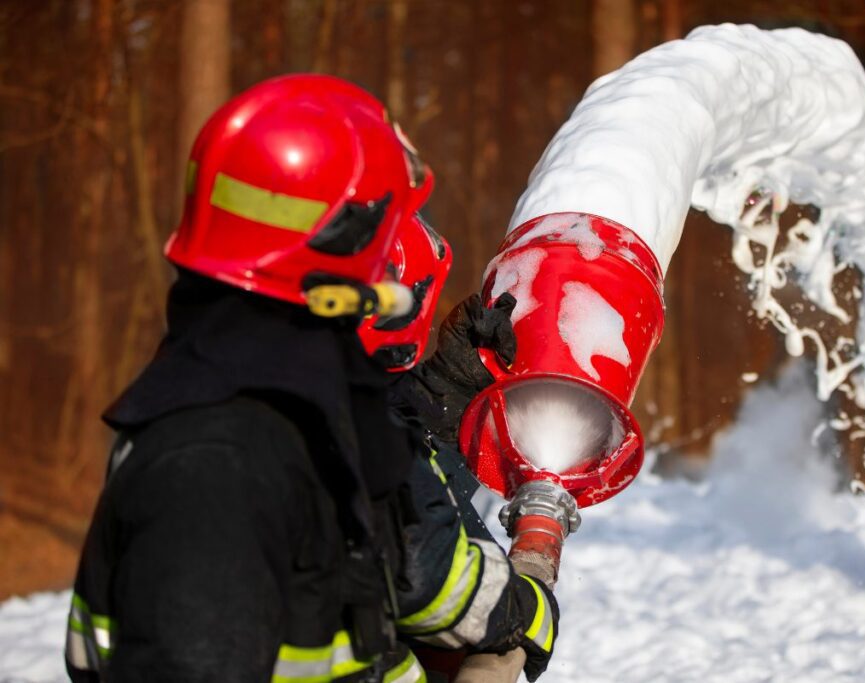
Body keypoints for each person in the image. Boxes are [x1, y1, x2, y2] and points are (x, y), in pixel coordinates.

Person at [65, 74, 558, 683]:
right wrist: (525, 610)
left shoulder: (253, 388)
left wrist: (449, 386)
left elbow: (377, 501)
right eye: (385, 242)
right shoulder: (215, 467)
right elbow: (422, 565)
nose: (395, 272)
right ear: (340, 251)